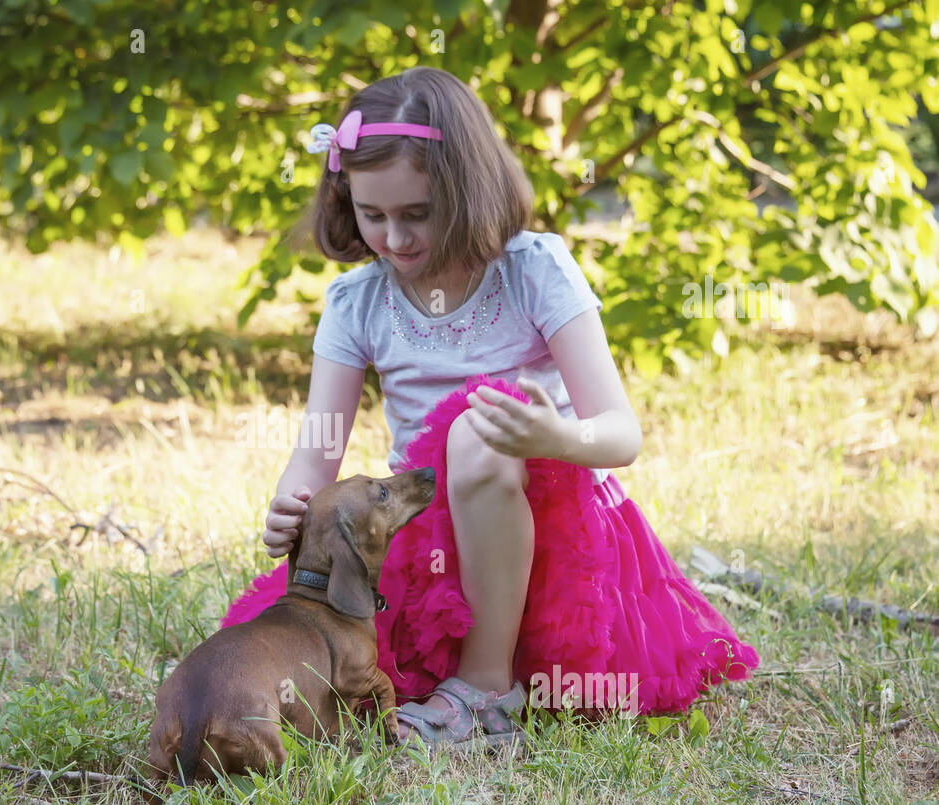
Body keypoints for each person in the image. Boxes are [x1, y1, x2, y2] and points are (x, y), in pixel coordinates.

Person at [220, 67, 759, 749]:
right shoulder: (357, 300)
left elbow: (621, 432)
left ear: (467, 190)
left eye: (417, 213)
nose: (395, 237)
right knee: (302, 676)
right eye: (372, 215)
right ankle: (454, 680)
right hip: (429, 547)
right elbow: (318, 446)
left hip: (559, 547)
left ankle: (484, 693)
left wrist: (554, 435)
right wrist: (293, 502)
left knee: (477, 429)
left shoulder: (533, 270)